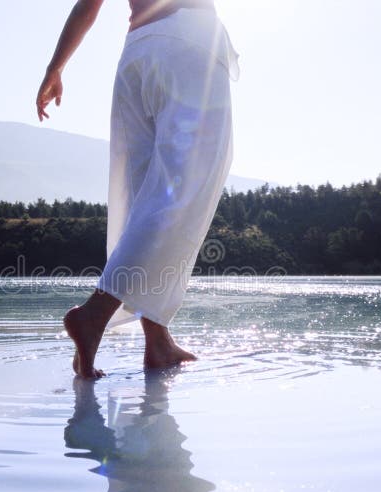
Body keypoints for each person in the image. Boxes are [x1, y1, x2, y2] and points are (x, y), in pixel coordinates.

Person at [36, 0, 237, 379]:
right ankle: (94, 315)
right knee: (184, 187)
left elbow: (87, 6)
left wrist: (55, 67)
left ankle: (157, 339)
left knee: (143, 196)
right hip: (190, 42)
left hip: (137, 50)